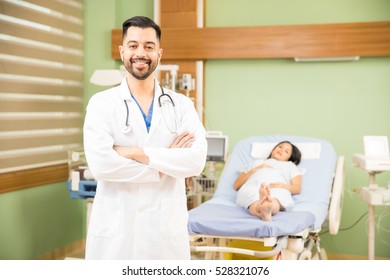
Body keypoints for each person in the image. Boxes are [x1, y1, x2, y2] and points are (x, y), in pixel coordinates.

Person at [83, 16, 207, 260]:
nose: (141, 53)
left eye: (149, 46)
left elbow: (195, 161)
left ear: (159, 53)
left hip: (163, 236)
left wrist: (135, 153)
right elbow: (101, 164)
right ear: (122, 51)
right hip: (117, 234)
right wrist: (164, 166)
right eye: (133, 45)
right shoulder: (101, 104)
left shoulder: (181, 105)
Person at [233, 141, 302, 221]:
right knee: (251, 194)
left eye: (286, 151)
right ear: (274, 149)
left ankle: (265, 206)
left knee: (276, 197)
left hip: (276, 188)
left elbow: (297, 188)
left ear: (289, 157)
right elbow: (236, 185)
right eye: (280, 147)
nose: (282, 150)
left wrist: (280, 186)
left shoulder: (290, 166)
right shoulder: (256, 163)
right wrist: (257, 168)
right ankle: (264, 209)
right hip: (253, 186)